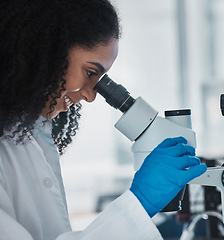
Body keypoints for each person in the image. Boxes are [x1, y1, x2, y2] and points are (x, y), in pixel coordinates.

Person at [0, 0, 207, 239]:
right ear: (41, 51)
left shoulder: (28, 134)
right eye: (90, 73)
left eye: (99, 80)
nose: (89, 96)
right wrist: (137, 204)